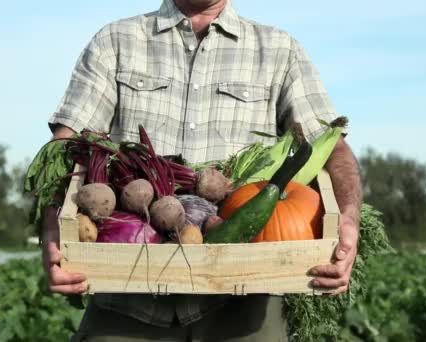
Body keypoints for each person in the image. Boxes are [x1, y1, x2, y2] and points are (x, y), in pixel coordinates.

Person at [42, 0, 362, 340]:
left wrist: (349, 220)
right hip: (125, 295)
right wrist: (52, 229)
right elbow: (66, 146)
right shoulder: (116, 41)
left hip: (246, 302)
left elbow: (332, 148)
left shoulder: (280, 51)